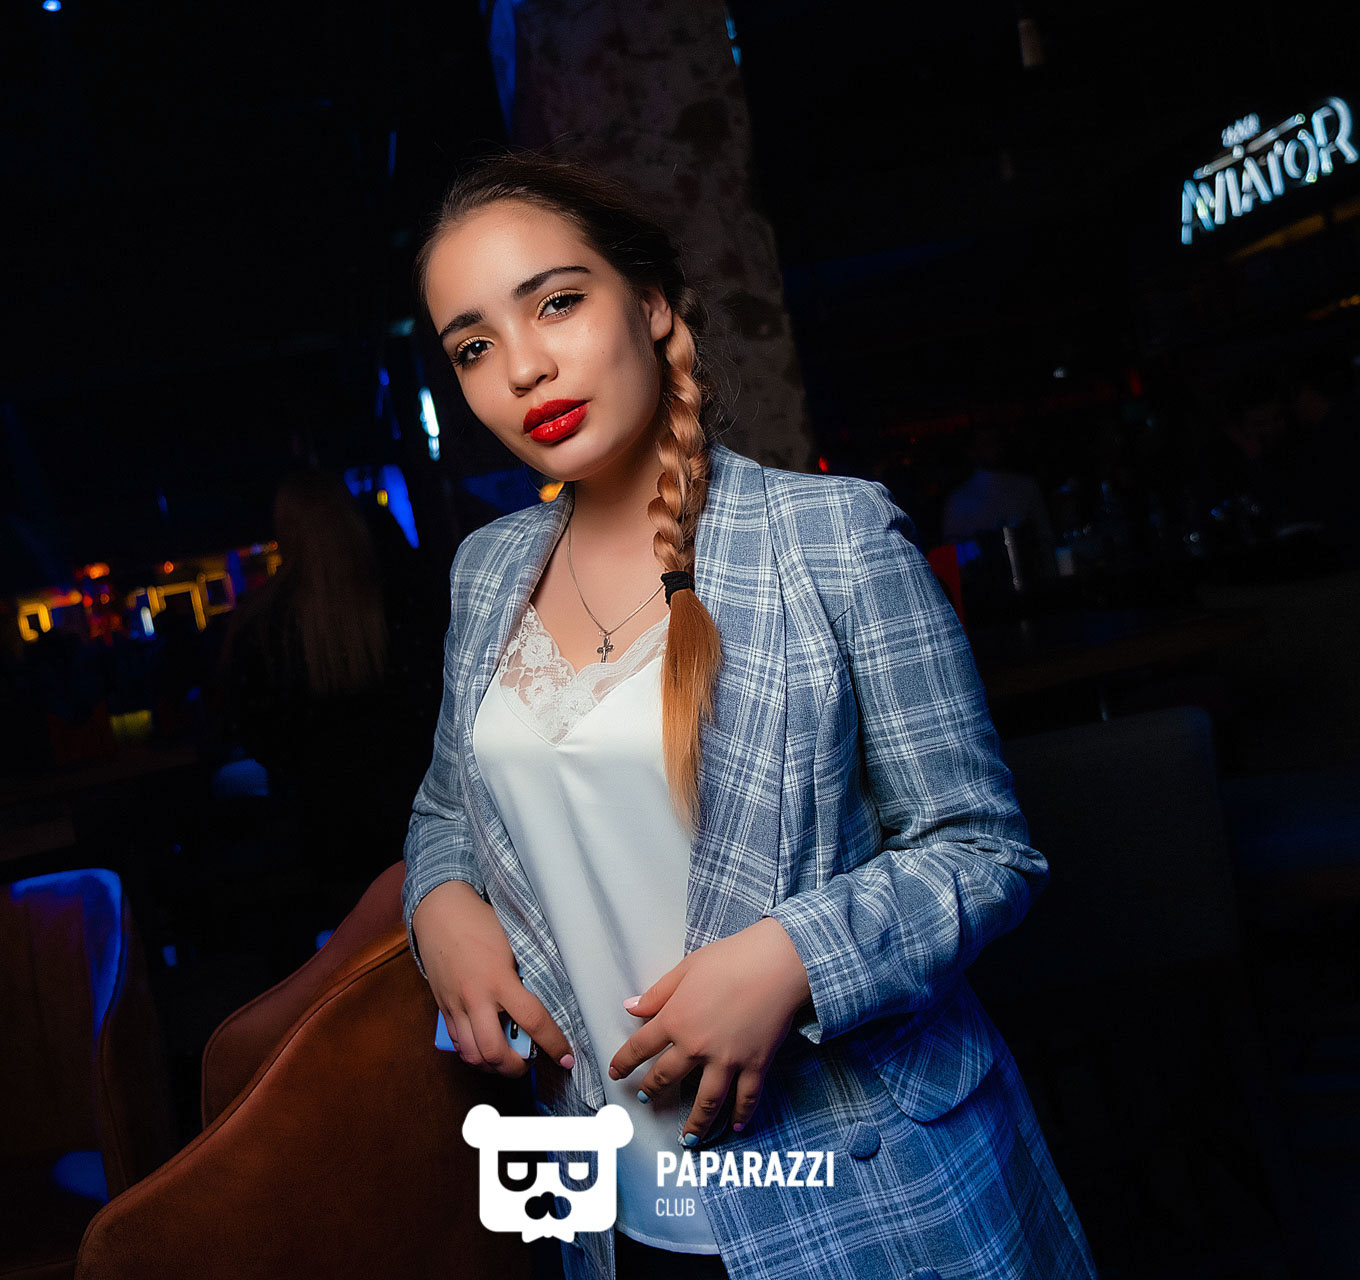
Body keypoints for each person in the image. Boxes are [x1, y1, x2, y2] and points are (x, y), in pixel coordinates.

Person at [402, 150, 1094, 1280]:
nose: (524, 368)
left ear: (652, 303)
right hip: (612, 1209)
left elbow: (983, 848)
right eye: (474, 346)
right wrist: (439, 904)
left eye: (558, 302)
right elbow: (447, 807)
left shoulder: (833, 539)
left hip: (868, 1191)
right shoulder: (487, 574)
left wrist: (794, 958)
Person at [217, 468, 442, 921]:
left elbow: (250, 727)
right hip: (418, 813)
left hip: (331, 828)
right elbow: (440, 701)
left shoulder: (262, 626)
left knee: (359, 952)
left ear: (284, 529)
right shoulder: (404, 598)